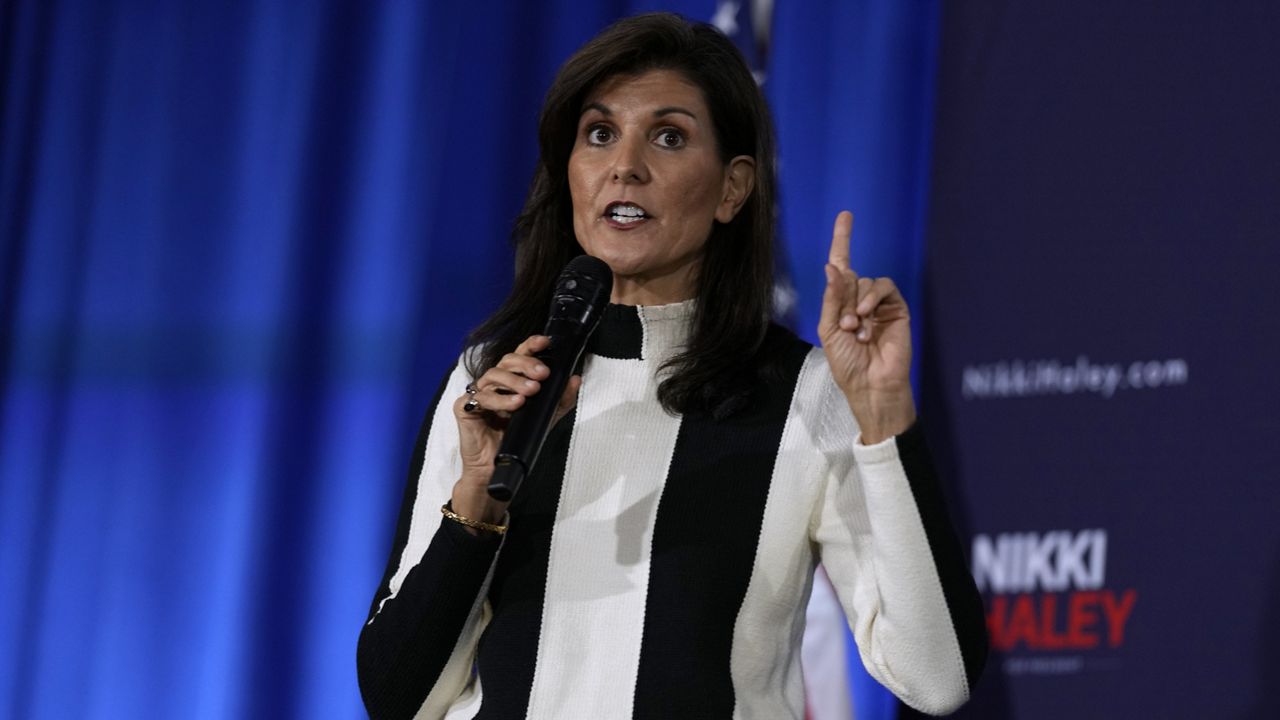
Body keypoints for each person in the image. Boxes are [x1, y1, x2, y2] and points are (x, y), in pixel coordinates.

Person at [357, 12, 986, 720]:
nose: (625, 165)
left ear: (731, 189)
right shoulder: (490, 380)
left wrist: (882, 420)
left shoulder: (805, 394)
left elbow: (936, 677)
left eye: (668, 136)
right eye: (599, 134)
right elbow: (399, 696)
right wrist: (476, 500)